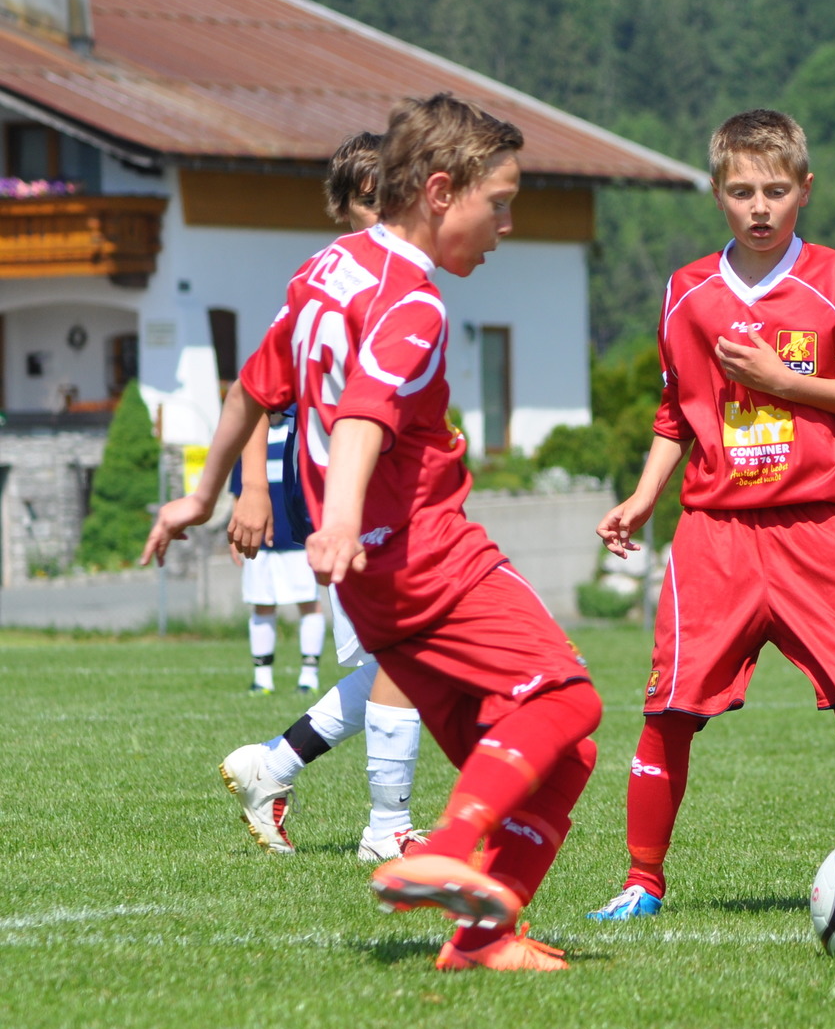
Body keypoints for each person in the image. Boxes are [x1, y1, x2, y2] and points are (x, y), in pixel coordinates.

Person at [147, 93, 603, 973]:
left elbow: (252, 386)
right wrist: (344, 518)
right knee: (569, 701)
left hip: (371, 578)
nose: (507, 226)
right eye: (499, 204)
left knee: (563, 759)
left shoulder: (327, 270)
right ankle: (441, 846)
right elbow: (363, 412)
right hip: (424, 552)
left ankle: (481, 941)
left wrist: (200, 494)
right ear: (440, 191)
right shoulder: (412, 300)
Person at [583, 109, 835, 923]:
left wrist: (785, 383)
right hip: (715, 537)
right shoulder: (686, 292)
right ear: (717, 193)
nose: (759, 207)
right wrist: (642, 498)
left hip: (825, 531)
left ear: (804, 190)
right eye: (741, 191)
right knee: (668, 709)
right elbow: (675, 413)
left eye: (775, 190)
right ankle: (641, 882)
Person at [215, 132, 426, 865]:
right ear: (345, 207)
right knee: (408, 655)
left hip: (387, 499)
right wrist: (251, 491)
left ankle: (273, 767)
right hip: (341, 504)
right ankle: (386, 827)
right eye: (372, 201)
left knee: (406, 658)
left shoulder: (404, 280)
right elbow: (254, 386)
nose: (386, 216)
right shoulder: (332, 284)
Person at [231, 410, 324, 693]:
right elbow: (239, 494)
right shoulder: (249, 438)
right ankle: (262, 679)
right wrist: (235, 534)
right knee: (262, 603)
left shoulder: (298, 433)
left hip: (298, 538)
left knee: (308, 602)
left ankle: (309, 677)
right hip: (260, 542)